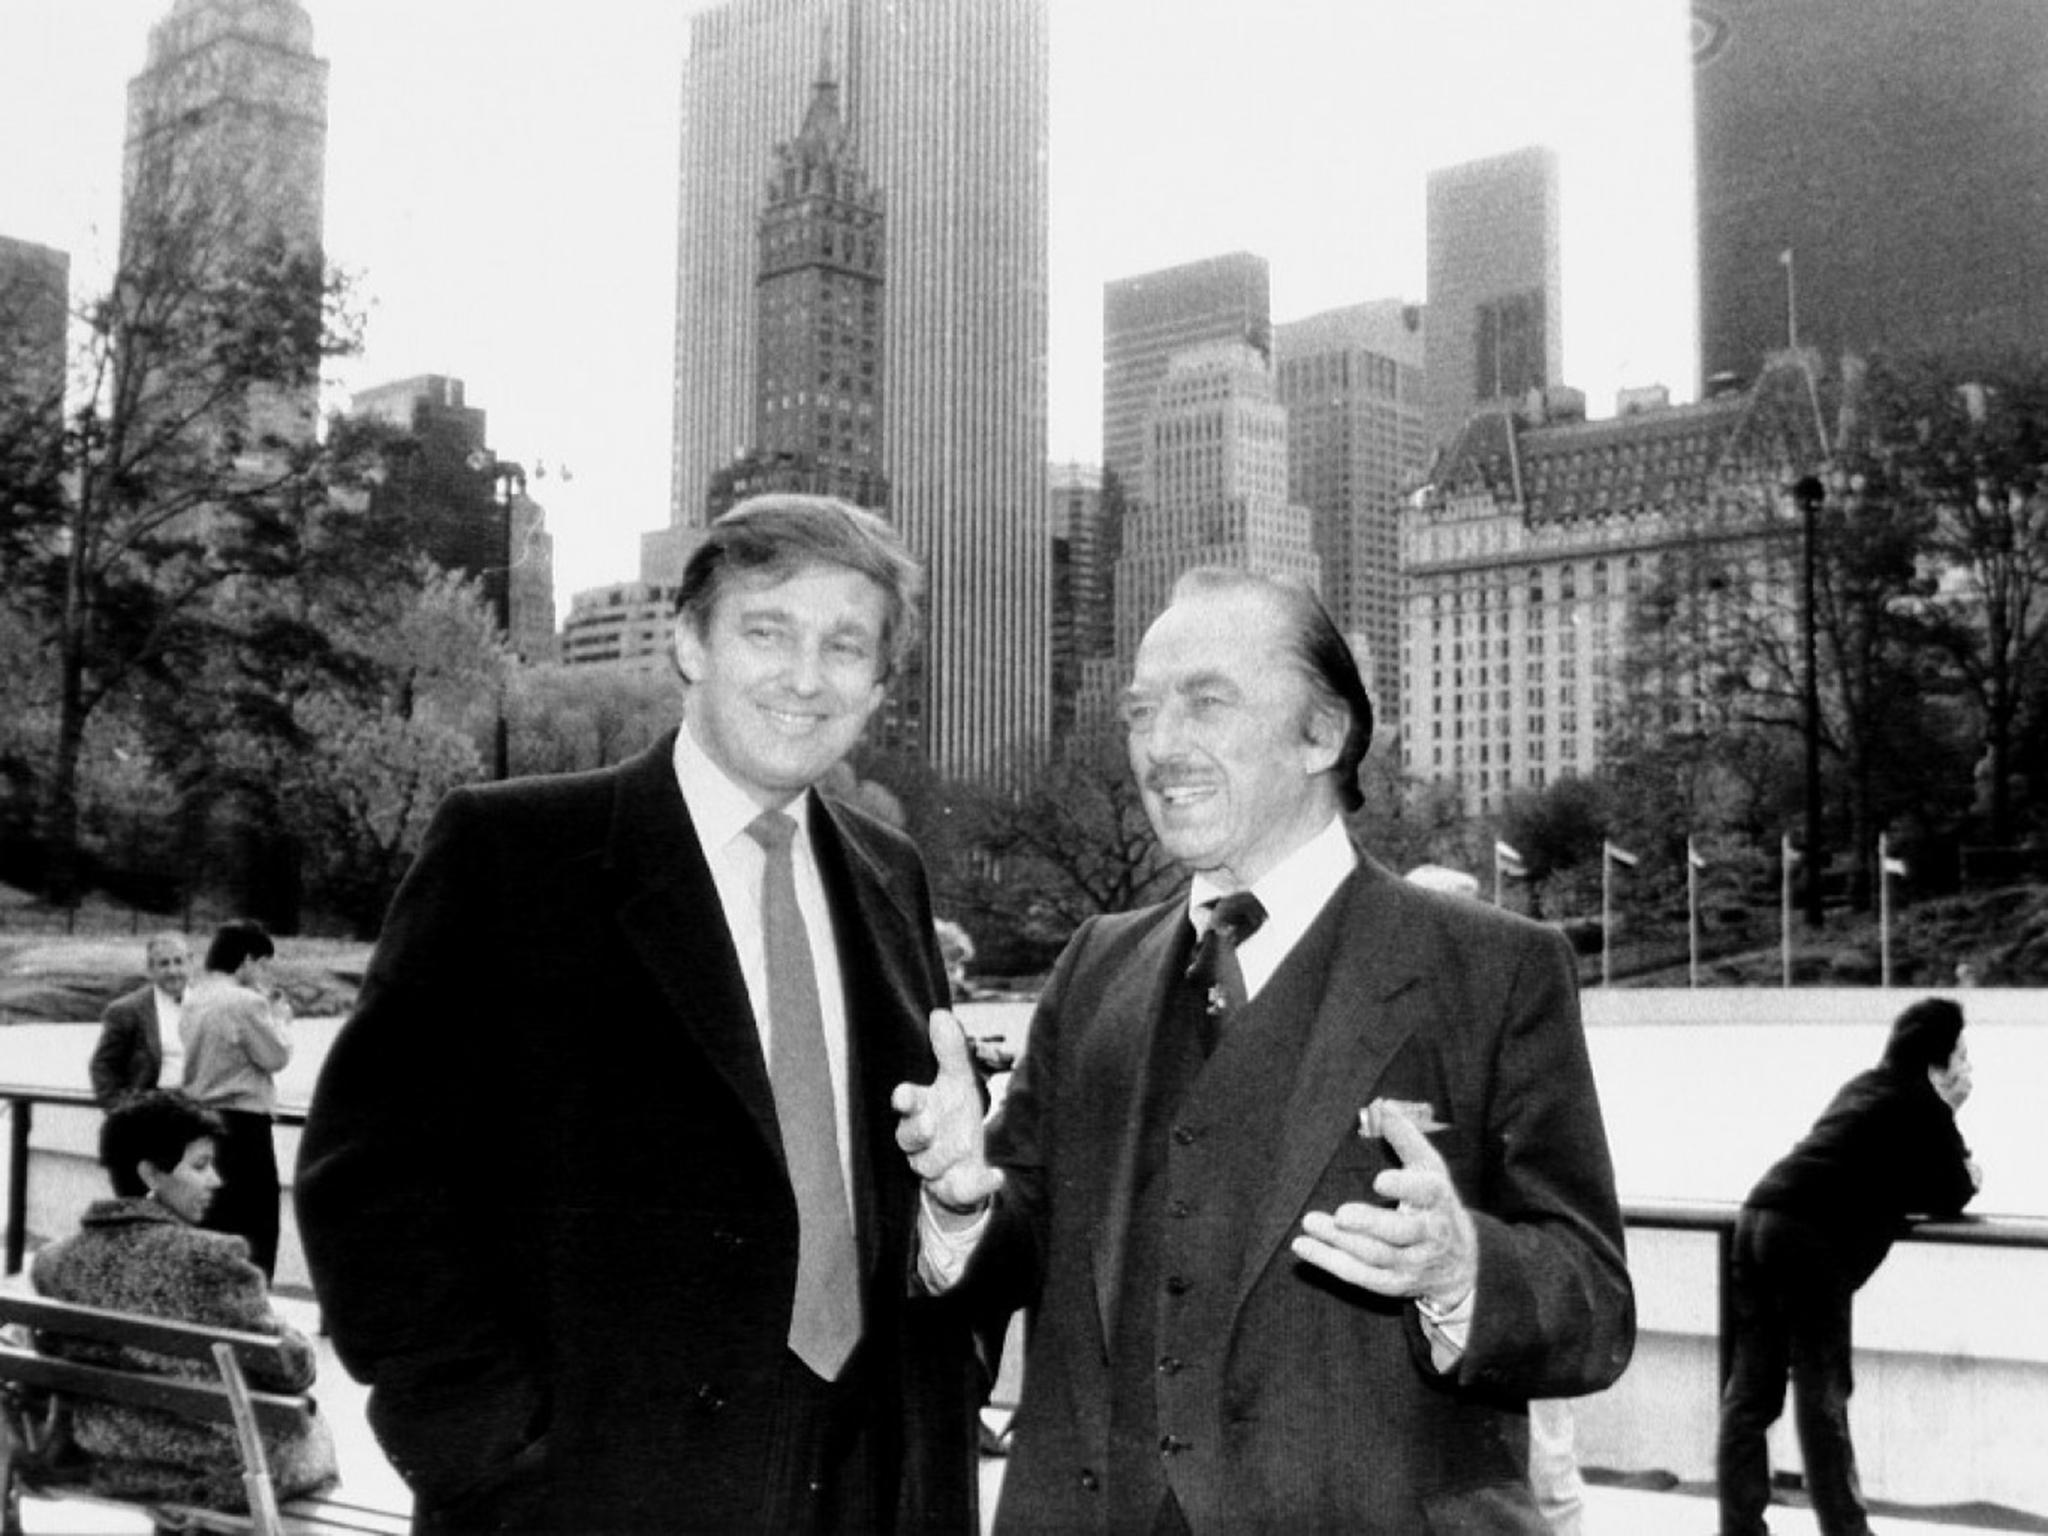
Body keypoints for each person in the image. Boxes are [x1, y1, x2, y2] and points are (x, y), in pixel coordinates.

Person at [896, 567, 1635, 1533]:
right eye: (1141, 712)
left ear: (1322, 733)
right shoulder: (1094, 967)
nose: (1161, 747)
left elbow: (1594, 1300)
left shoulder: (1495, 971)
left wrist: (1461, 1273)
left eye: (1207, 702)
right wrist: (958, 1208)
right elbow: (1024, 1237)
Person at [296, 495, 980, 1536]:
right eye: (767, 631)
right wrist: (493, 1456)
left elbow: (912, 1183)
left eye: (846, 647)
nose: (805, 677)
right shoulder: (514, 854)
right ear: (689, 643)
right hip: (591, 1495)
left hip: (856, 1486)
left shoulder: (892, 875)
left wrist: (952, 1224)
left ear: (879, 686)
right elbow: (371, 1187)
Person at [1716, 997, 1981, 1536]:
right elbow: (1953, 1189)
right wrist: (1954, 1129)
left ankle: (1740, 1529)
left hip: (1758, 1218)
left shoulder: (1864, 1085)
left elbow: (1884, 1168)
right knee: (1824, 1392)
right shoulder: (1922, 1106)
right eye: (1963, 1060)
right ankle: (1846, 1530)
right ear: (1937, 1067)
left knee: (1751, 1391)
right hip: (1808, 1241)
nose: (1969, 1073)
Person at [29, 1089, 336, 1511]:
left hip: (108, 1455)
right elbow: (292, 1369)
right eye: (200, 1166)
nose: (216, 1180)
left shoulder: (53, 1262)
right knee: (311, 1430)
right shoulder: (213, 1257)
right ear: (151, 1174)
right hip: (220, 1468)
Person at [179, 918, 293, 1281]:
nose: (263, 973)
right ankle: (252, 1313)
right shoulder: (246, 1002)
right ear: (246, 960)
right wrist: (280, 1017)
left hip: (199, 1118)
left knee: (209, 1218)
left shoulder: (193, 996)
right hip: (243, 1124)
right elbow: (275, 1057)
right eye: (262, 964)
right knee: (255, 1225)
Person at [89, 931, 191, 1106]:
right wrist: (122, 1112)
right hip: (152, 1109)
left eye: (179, 962)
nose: (173, 971)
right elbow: (103, 1067)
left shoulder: (209, 1006)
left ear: (191, 963)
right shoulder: (126, 1011)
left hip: (202, 1109)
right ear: (150, 969)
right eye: (164, 964)